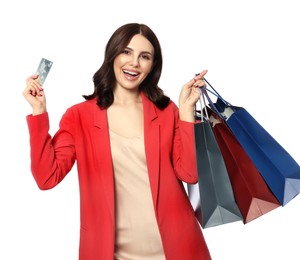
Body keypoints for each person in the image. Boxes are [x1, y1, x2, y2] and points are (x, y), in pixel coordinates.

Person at [23, 23, 211, 260]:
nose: (134, 63)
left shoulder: (167, 111)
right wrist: (39, 112)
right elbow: (46, 177)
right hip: (109, 253)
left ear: (152, 66)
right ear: (112, 55)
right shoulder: (79, 116)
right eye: (126, 52)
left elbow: (190, 174)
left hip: (176, 249)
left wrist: (186, 111)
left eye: (145, 57)